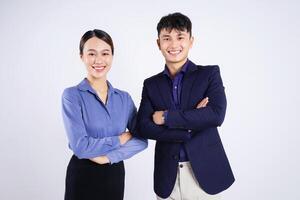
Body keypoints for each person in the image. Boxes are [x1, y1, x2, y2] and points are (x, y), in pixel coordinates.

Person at [135, 13, 235, 199]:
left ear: (191, 41)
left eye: (180, 37)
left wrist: (166, 117)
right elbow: (143, 127)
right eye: (167, 38)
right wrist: (191, 124)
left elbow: (216, 115)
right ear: (158, 43)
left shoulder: (209, 74)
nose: (173, 45)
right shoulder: (151, 84)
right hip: (167, 177)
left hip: (204, 174)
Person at [61, 29, 147, 200]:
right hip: (82, 175)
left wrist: (108, 157)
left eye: (105, 53)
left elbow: (141, 139)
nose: (98, 60)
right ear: (82, 56)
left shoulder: (124, 98)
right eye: (91, 54)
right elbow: (80, 146)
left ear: (112, 57)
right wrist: (120, 139)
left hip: (114, 174)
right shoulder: (72, 96)